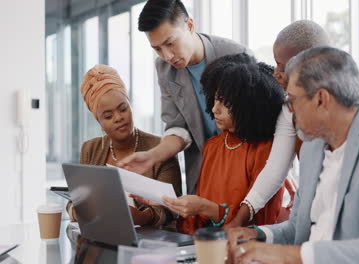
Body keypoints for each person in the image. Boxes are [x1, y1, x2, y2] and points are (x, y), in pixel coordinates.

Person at [228, 47, 359, 264]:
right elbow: (299, 227)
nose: (291, 111)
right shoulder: (312, 149)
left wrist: (291, 256)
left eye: (293, 100)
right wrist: (257, 235)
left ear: (321, 100)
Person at [229, 20, 359, 227]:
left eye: (283, 65)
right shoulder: (296, 118)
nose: (276, 73)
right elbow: (274, 170)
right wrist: (240, 219)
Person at [131, 53, 285, 235]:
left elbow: (259, 224)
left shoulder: (268, 150)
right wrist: (168, 202)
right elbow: (196, 217)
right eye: (215, 98)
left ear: (249, 105)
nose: (214, 109)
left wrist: (207, 208)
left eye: (225, 103)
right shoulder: (213, 145)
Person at [118, 0, 250, 195]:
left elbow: (261, 123)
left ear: (189, 25)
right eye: (157, 48)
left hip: (245, 170)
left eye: (170, 43)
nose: (167, 56)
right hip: (204, 175)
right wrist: (152, 157)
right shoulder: (164, 69)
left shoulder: (237, 56)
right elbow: (178, 127)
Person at [66, 64, 182, 227]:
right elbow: (75, 200)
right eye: (108, 116)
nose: (118, 118)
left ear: (130, 106)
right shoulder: (90, 149)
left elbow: (174, 209)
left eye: (123, 109)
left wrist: (143, 217)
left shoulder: (160, 148)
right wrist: (79, 211)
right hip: (105, 238)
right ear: (99, 122)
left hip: (155, 243)